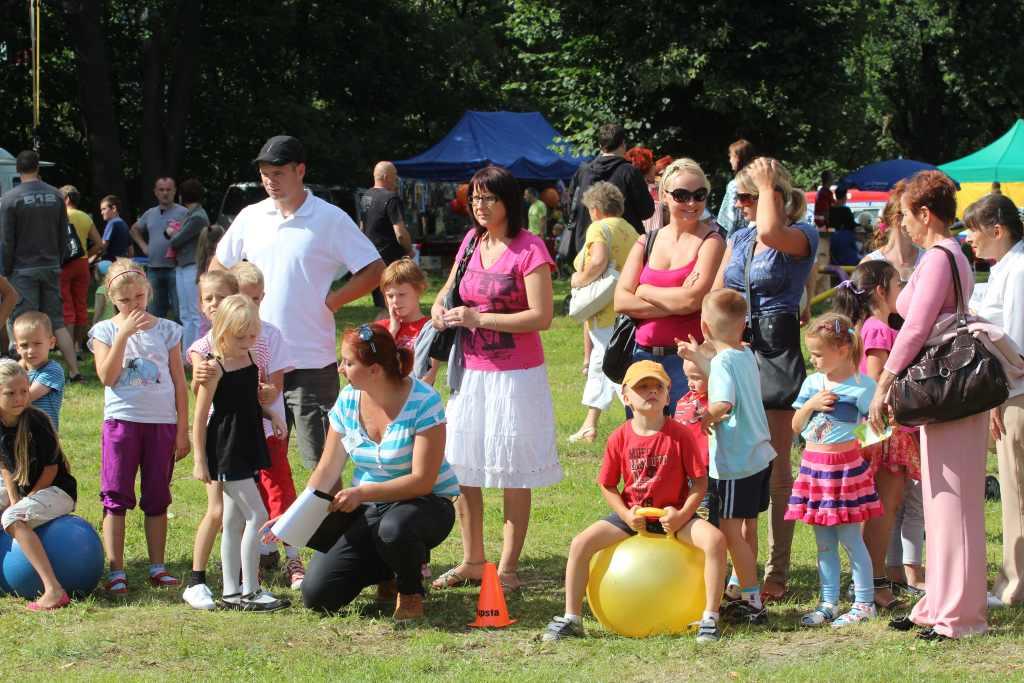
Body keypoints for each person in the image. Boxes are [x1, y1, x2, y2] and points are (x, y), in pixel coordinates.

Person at [212, 135, 384, 469]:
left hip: (310, 362)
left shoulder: (330, 218)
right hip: (255, 357)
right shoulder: (250, 216)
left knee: (321, 463)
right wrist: (228, 312)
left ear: (300, 170)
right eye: (265, 173)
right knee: (257, 460)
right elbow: (218, 267)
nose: (270, 181)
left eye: (278, 173)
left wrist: (332, 302)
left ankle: (325, 508)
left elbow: (375, 269)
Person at [868, 170, 988, 641]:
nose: (902, 224)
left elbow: (916, 327)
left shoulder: (940, 256)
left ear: (924, 213)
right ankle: (938, 604)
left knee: (953, 503)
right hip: (944, 390)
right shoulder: (945, 254)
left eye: (905, 216)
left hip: (948, 388)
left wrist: (885, 382)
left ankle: (959, 615)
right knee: (941, 500)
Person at [430, 165, 561, 592]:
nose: (480, 206)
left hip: (516, 378)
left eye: (488, 198)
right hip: (470, 374)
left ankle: (507, 570)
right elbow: (449, 289)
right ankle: (472, 561)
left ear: (508, 202)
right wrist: (438, 309)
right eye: (475, 199)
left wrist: (479, 318)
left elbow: (542, 316)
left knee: (512, 470)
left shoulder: (530, 248)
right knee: (463, 464)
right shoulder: (471, 241)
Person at [541, 360, 728, 644]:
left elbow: (699, 483)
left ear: (668, 395)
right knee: (580, 544)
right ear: (626, 397)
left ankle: (710, 618)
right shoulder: (619, 437)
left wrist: (681, 515)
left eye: (658, 387)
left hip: (674, 517)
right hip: (633, 516)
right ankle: (572, 617)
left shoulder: (680, 435)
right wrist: (626, 515)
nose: (651, 391)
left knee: (715, 540)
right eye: (642, 387)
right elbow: (607, 485)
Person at [286, 325, 457, 621]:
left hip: (425, 504)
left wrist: (363, 492)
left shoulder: (424, 400)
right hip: (369, 509)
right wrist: (293, 516)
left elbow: (422, 481)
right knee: (317, 595)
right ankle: (388, 569)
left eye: (348, 362)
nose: (340, 369)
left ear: (374, 370)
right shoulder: (348, 399)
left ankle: (410, 590)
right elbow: (326, 469)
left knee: (394, 529)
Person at [714, 156, 818, 602]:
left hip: (776, 354)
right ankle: (742, 569)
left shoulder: (801, 234)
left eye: (748, 196)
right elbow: (717, 293)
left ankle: (777, 570)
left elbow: (773, 233)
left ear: (773, 195)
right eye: (738, 196)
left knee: (776, 468)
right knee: (738, 461)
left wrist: (768, 182)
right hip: (738, 353)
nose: (739, 204)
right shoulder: (738, 238)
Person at [88, 258, 190, 594]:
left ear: (148, 291)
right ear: (112, 299)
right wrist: (123, 336)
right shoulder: (104, 331)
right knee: (116, 493)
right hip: (122, 422)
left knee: (157, 494)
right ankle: (116, 569)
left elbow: (179, 382)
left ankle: (157, 566)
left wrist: (183, 429)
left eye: (139, 297)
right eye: (125, 300)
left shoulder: (168, 330)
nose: (134, 305)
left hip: (161, 423)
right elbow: (107, 376)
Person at [677, 288, 775, 626]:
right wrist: (698, 356)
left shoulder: (721, 363)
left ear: (704, 327)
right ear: (743, 324)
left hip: (736, 463)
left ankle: (752, 601)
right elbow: (722, 372)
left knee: (731, 533)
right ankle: (740, 591)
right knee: (745, 528)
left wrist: (706, 416)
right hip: (759, 456)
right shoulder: (744, 353)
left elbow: (724, 402)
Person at [833, 261, 923, 610]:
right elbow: (875, 385)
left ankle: (870, 580)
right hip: (884, 432)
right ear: (882, 291)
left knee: (881, 508)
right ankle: (874, 584)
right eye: (899, 285)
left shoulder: (871, 327)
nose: (904, 292)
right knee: (882, 509)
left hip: (881, 430)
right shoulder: (878, 330)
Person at [191, 295, 289, 612]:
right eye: (240, 337)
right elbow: (200, 418)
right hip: (226, 447)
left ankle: (232, 591)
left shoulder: (251, 358)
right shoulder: (214, 368)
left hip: (248, 442)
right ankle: (251, 589)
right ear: (222, 332)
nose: (248, 342)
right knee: (257, 515)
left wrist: (272, 415)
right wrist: (200, 460)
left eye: (252, 336)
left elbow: (249, 402)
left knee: (233, 520)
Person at [787, 313, 881, 628]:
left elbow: (882, 427)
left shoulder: (863, 386)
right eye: (811, 354)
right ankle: (828, 602)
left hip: (844, 472)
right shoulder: (812, 384)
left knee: (851, 539)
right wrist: (811, 405)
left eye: (818, 354)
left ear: (842, 350)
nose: (812, 360)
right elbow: (796, 426)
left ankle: (864, 603)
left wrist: (854, 445)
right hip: (814, 470)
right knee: (824, 542)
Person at [616, 158, 725, 416]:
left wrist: (643, 291)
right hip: (642, 358)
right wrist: (678, 302)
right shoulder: (647, 240)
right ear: (664, 196)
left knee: (685, 434)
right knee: (644, 434)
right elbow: (620, 301)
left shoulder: (711, 241)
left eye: (699, 195)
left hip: (688, 362)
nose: (692, 203)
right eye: (681, 195)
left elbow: (692, 301)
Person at [964, 192, 1024, 607]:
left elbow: (1016, 345)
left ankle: (1013, 586)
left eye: (974, 230)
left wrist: (998, 399)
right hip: (1012, 392)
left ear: (997, 230)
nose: (969, 238)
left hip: (1016, 395)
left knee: (1016, 491)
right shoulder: (1007, 267)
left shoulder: (1017, 270)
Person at [0, 359, 77, 611]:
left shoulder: (37, 421)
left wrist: (24, 502)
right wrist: (14, 499)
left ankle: (54, 590)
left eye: (24, 391)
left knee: (12, 518)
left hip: (57, 491)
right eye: (10, 393)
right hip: (26, 492)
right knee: (8, 509)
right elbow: (5, 467)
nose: (19, 398)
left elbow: (51, 469)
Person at [0, 150, 81, 381]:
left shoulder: (9, 198)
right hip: (51, 265)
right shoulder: (56, 195)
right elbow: (64, 233)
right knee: (56, 321)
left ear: (18, 169)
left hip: (22, 269)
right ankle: (74, 370)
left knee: (22, 322)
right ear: (38, 167)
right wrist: (59, 260)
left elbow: (6, 239)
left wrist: (5, 270)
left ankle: (24, 374)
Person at [567, 182, 639, 443]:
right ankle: (590, 425)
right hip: (626, 307)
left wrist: (579, 279)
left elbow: (597, 261)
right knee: (600, 366)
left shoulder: (598, 227)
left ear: (595, 209)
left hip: (605, 311)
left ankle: (641, 419)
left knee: (616, 369)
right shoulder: (630, 230)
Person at [566, 123, 655, 257]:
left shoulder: (583, 171)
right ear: (623, 144)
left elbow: (570, 208)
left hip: (588, 246)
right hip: (624, 248)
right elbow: (647, 211)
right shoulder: (629, 172)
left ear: (600, 145)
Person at [374, 258, 439, 385]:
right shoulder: (381, 328)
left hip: (416, 393)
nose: (395, 301)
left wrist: (407, 394)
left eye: (402, 294)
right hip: (384, 391)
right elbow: (372, 363)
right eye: (390, 296)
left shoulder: (430, 328)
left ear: (419, 290)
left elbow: (430, 374)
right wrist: (392, 331)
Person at [130, 177, 188, 319]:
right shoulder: (150, 213)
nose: (165, 193)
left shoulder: (184, 213)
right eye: (161, 190)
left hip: (176, 269)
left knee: (180, 312)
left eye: (168, 189)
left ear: (174, 191)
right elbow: (134, 230)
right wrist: (144, 246)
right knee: (154, 313)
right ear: (156, 192)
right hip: (153, 269)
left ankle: (181, 335)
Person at [359, 161, 411, 313]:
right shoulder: (392, 198)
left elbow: (362, 228)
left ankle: (383, 325)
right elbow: (400, 233)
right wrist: (409, 250)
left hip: (372, 258)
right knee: (395, 303)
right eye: (395, 176)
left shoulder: (366, 196)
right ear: (386, 177)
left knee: (383, 303)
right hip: (390, 258)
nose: (396, 180)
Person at [58, 185, 103, 353]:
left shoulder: (60, 215)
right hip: (82, 264)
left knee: (67, 306)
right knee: (81, 305)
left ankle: (68, 347)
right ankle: (78, 347)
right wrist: (86, 254)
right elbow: (99, 244)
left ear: (66, 199)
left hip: (64, 264)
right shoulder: (85, 217)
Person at [168, 178, 208, 355]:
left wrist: (172, 233)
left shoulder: (197, 217)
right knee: (185, 313)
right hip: (183, 266)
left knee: (194, 313)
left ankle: (196, 353)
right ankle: (186, 354)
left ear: (182, 196)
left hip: (193, 266)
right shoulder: (191, 215)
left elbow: (176, 240)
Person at [12, 312, 64, 431]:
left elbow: (27, 397)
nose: (31, 350)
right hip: (20, 432)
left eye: (37, 344)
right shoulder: (17, 370)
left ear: (51, 343)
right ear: (17, 348)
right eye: (24, 345)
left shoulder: (53, 370)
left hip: (43, 434)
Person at [860, 181, 923, 281]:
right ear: (897, 219)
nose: (922, 221)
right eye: (915, 215)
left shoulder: (928, 258)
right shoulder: (870, 264)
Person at [717, 139, 756, 237]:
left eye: (731, 156)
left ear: (738, 158)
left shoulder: (735, 184)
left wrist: (729, 239)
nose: (730, 160)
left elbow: (731, 218)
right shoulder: (757, 180)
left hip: (737, 236)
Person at [828, 187, 861, 267]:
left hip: (832, 239)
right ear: (844, 197)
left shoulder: (830, 209)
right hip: (845, 240)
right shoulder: (846, 210)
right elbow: (852, 225)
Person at [98, 194, 132, 265]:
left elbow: (103, 246)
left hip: (110, 265)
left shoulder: (112, 223)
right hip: (122, 265)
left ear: (114, 208)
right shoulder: (124, 224)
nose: (101, 213)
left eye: (104, 209)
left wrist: (90, 258)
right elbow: (131, 251)